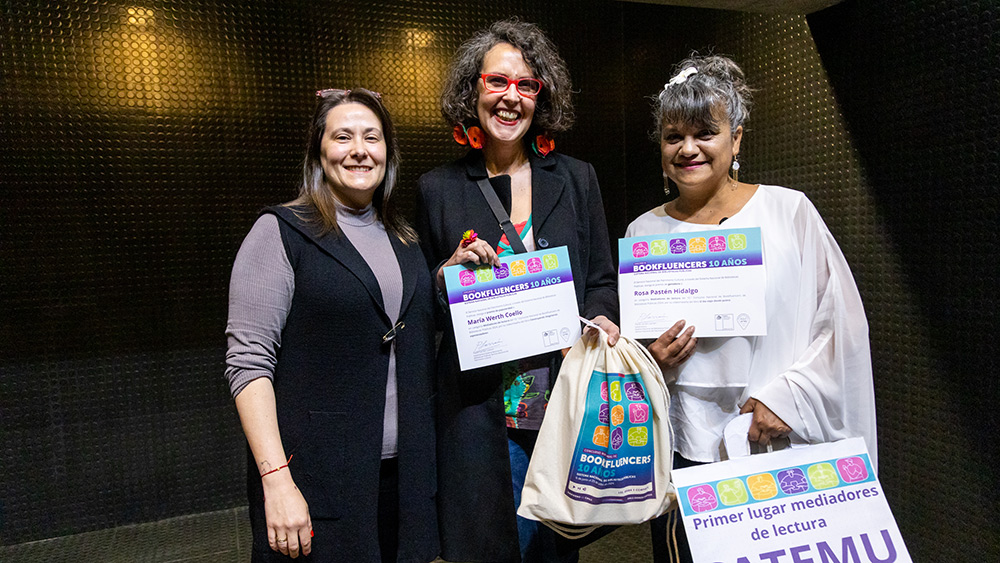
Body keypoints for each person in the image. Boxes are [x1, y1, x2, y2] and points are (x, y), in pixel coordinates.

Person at [625, 54, 877, 563]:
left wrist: (788, 396)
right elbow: (633, 350)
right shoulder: (643, 232)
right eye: (673, 136)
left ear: (736, 138)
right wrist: (651, 357)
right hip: (679, 445)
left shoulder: (789, 212)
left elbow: (840, 322)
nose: (687, 148)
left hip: (771, 437)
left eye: (704, 132)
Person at [415, 19, 620, 563]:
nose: (511, 97)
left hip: (559, 401)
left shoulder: (576, 179)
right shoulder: (436, 189)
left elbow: (600, 279)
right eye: (497, 82)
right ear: (472, 91)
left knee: (553, 547)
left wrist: (601, 320)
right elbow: (421, 308)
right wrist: (444, 274)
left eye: (526, 85)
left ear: (540, 97)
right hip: (477, 408)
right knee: (486, 544)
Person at [225, 88, 438, 563]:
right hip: (316, 486)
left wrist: (447, 279)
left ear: (388, 152)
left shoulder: (403, 237)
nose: (360, 149)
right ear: (319, 152)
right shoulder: (279, 231)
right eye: (343, 136)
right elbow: (248, 365)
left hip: (400, 483)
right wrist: (276, 481)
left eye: (372, 137)